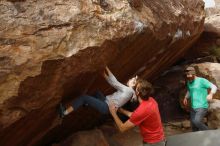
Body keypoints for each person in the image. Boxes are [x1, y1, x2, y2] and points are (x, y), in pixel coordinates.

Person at [59, 66, 137, 118]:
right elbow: (113, 82)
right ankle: (86, 103)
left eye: (132, 80)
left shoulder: (128, 90)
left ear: (133, 84)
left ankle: (64, 113)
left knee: (84, 97)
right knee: (97, 93)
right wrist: (104, 75)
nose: (130, 79)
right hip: (106, 103)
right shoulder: (131, 93)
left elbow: (114, 82)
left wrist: (106, 67)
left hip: (106, 107)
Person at [109, 79, 165, 146]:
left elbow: (122, 128)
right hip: (159, 138)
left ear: (137, 93)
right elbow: (136, 116)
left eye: (135, 88)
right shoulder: (152, 100)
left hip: (153, 143)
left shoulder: (141, 110)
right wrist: (121, 110)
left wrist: (113, 113)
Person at [183, 66, 217, 131]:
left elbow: (214, 87)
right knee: (193, 126)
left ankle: (210, 133)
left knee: (197, 121)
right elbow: (189, 90)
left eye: (189, 75)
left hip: (202, 106)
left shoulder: (202, 81)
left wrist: (211, 94)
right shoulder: (189, 82)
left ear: (194, 74)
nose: (188, 77)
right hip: (193, 107)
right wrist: (186, 97)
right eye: (187, 75)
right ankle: (196, 139)